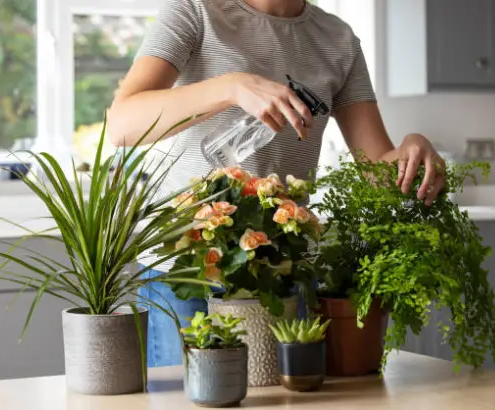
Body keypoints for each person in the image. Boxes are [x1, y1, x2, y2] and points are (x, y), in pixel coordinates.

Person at [108, 0, 446, 367]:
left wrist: (412, 150)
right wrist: (233, 87)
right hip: (188, 271)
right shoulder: (196, 11)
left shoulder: (338, 40)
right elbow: (123, 124)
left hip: (280, 269)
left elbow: (377, 173)